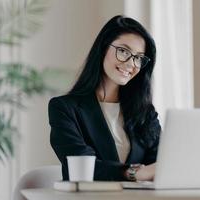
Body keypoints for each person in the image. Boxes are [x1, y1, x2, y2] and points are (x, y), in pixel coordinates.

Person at [48, 15, 161, 182]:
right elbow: (82, 167)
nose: (131, 64)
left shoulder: (145, 113)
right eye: (123, 51)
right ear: (103, 48)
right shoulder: (64, 108)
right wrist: (133, 173)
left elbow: (159, 163)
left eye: (138, 58)